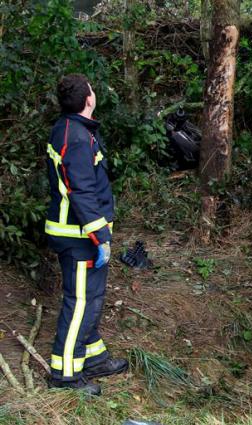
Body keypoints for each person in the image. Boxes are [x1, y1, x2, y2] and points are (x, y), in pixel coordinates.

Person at [45, 74, 128, 396]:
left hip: (82, 234)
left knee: (91, 299)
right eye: (92, 90)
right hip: (78, 237)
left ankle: (94, 358)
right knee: (80, 302)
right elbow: (81, 191)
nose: (95, 93)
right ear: (88, 100)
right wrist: (100, 237)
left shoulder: (74, 130)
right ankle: (64, 374)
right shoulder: (77, 137)